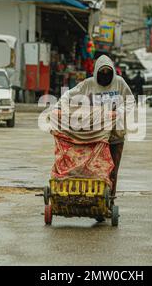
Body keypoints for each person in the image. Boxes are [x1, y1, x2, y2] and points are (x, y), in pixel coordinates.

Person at [54, 55, 133, 203]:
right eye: (101, 72)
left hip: (115, 137)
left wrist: (119, 113)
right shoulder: (88, 85)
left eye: (107, 72)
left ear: (112, 72)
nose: (104, 75)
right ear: (96, 72)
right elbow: (68, 95)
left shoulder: (120, 83)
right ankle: (93, 199)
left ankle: (109, 201)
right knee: (94, 169)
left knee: (112, 171)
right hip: (94, 135)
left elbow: (130, 101)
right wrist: (58, 107)